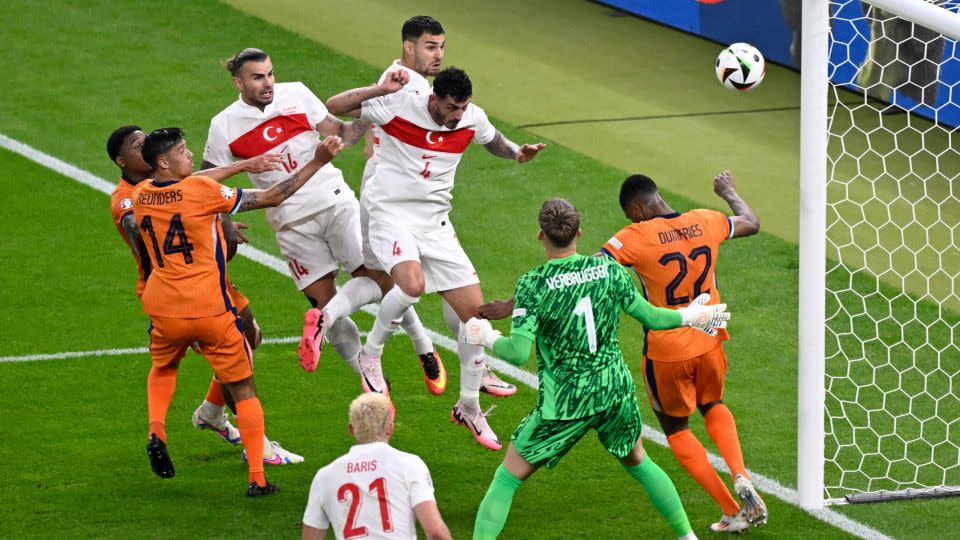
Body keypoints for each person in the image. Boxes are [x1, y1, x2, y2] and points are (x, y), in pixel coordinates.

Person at [480, 173, 768, 531]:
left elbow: (576, 276)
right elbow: (751, 223)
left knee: (677, 430)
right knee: (713, 406)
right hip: (708, 333)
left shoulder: (632, 238)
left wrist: (513, 306)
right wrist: (728, 192)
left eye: (630, 215)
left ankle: (730, 508)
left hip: (664, 352)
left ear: (635, 208)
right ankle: (739, 475)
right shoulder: (705, 219)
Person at [324, 66, 547, 450]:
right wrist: (379, 88)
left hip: (434, 222)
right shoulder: (397, 105)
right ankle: (371, 356)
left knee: (474, 319)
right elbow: (336, 105)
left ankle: (468, 407)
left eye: (463, 107)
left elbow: (490, 138)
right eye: (451, 107)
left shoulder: (469, 118)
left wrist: (516, 153)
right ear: (434, 99)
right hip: (390, 212)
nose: (457, 115)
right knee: (410, 285)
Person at [202, 49, 444, 395]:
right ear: (238, 82)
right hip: (289, 222)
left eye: (270, 74)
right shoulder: (223, 124)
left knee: (379, 278)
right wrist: (223, 219)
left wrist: (377, 104)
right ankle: (370, 378)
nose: (268, 82)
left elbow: (342, 134)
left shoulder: (297, 93)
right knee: (323, 301)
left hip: (334, 201)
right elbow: (209, 180)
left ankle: (424, 348)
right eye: (258, 77)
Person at [133, 127, 342, 496]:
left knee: (164, 368)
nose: (190, 153)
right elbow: (273, 196)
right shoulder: (202, 193)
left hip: (163, 307)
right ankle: (258, 479)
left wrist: (243, 165)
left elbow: (189, 183)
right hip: (210, 308)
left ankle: (156, 431)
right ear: (164, 161)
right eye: (183, 150)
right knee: (243, 387)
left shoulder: (141, 194)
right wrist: (317, 161)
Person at [321, 15, 516, 398]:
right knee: (392, 282)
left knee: (448, 292)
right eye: (431, 46)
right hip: (388, 197)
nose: (439, 54)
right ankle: (381, 346)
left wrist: (516, 153)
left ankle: (466, 374)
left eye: (442, 46)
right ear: (408, 47)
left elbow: (486, 135)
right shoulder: (399, 85)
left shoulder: (433, 92)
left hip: (428, 206)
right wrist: (362, 129)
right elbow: (350, 114)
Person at [108, 125, 303, 465]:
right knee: (231, 361)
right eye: (137, 145)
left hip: (210, 280)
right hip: (178, 293)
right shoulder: (126, 198)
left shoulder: (167, 185)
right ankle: (258, 448)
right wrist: (204, 216)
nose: (145, 146)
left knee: (251, 337)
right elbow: (153, 225)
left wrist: (215, 217)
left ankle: (211, 413)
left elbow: (189, 190)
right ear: (123, 160)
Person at [302, 393, 451, 540]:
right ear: (390, 428)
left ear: (352, 429)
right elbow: (436, 532)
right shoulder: (410, 465)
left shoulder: (325, 476)